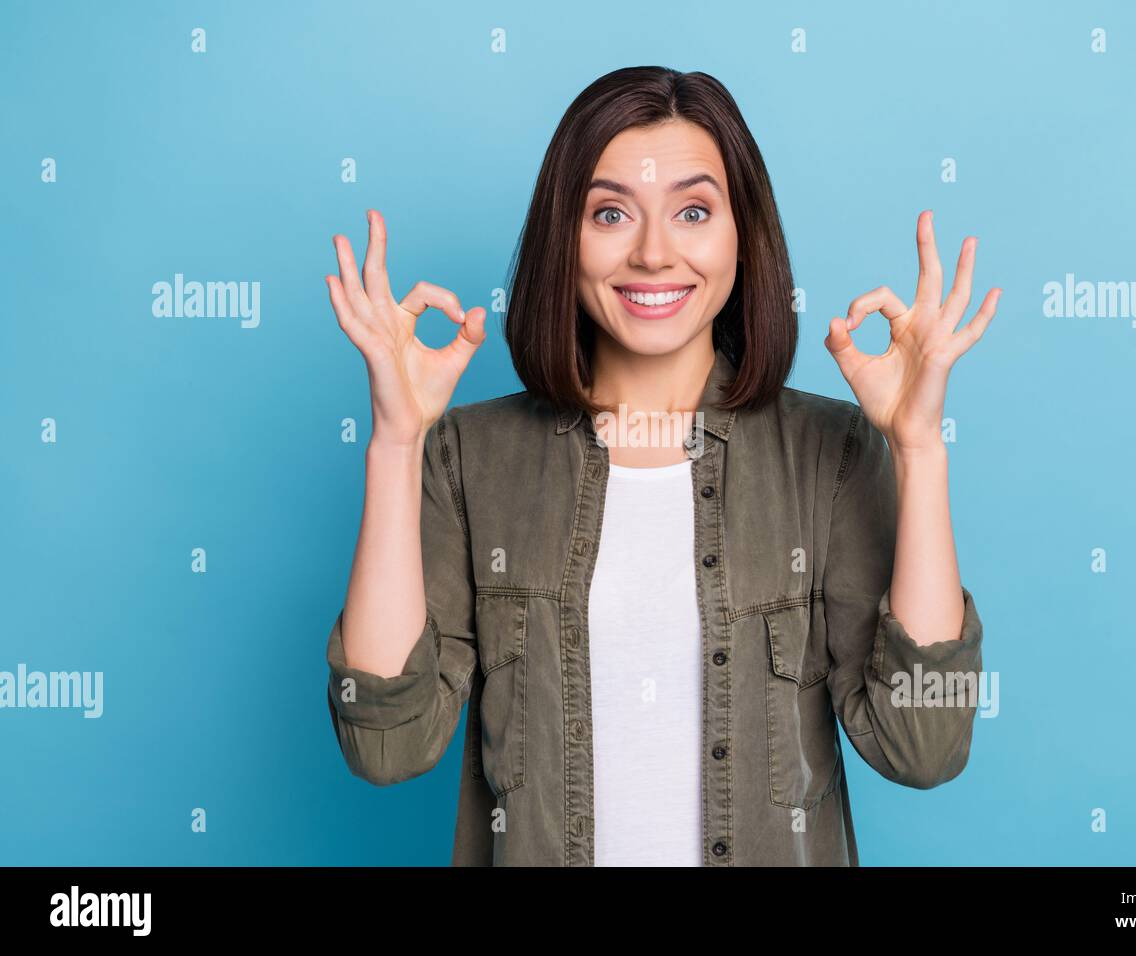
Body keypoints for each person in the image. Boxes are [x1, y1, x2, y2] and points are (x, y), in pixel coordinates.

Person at [322, 66, 999, 866]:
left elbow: (924, 744)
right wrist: (396, 443)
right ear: (562, 241)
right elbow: (386, 746)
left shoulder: (832, 453)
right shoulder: (468, 459)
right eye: (610, 213)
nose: (652, 253)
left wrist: (918, 450)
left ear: (742, 236)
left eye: (692, 211)